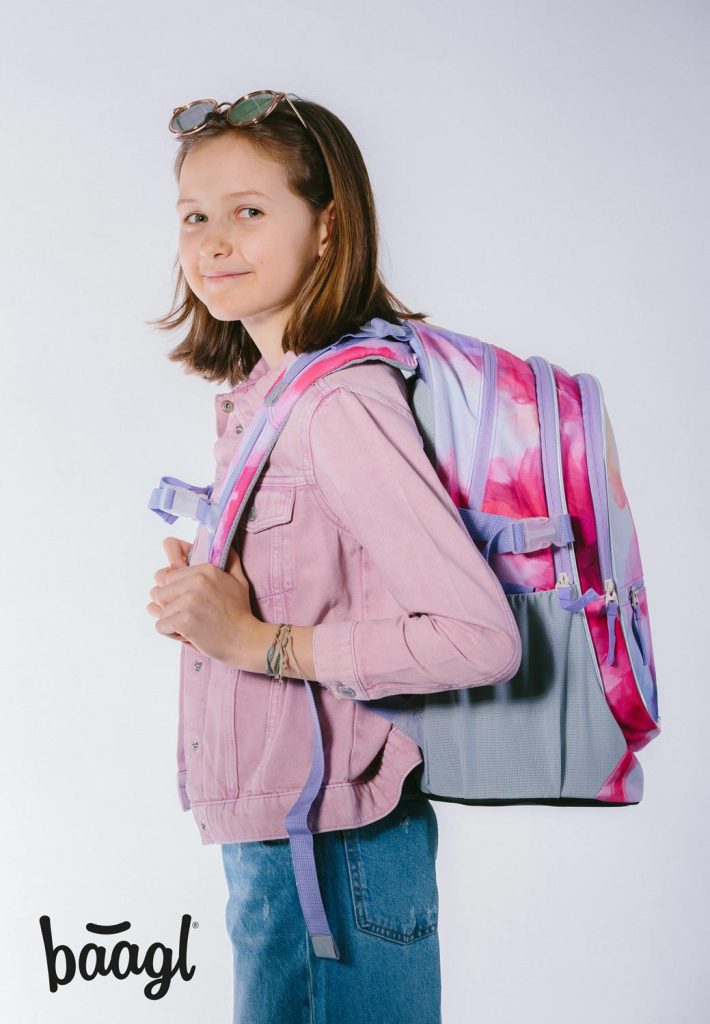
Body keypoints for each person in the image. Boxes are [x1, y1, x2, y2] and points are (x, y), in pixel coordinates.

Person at [145, 91, 521, 1024]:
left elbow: (479, 637)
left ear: (326, 228)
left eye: (249, 210)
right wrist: (215, 605)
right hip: (286, 849)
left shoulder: (338, 404)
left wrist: (258, 643)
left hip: (338, 855)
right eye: (194, 216)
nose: (213, 242)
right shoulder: (268, 395)